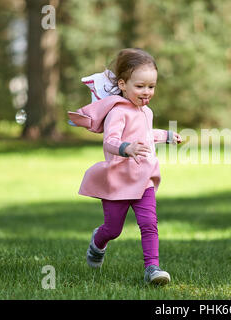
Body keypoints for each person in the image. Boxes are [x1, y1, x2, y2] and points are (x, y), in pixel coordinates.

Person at [67, 48, 182, 285]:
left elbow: (145, 134)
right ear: (123, 84)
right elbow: (110, 142)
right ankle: (97, 243)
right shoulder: (117, 112)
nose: (147, 92)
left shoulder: (146, 112)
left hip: (144, 178)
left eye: (151, 86)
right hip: (118, 180)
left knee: (149, 223)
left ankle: (152, 268)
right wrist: (125, 148)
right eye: (140, 86)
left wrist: (167, 135)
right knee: (113, 229)